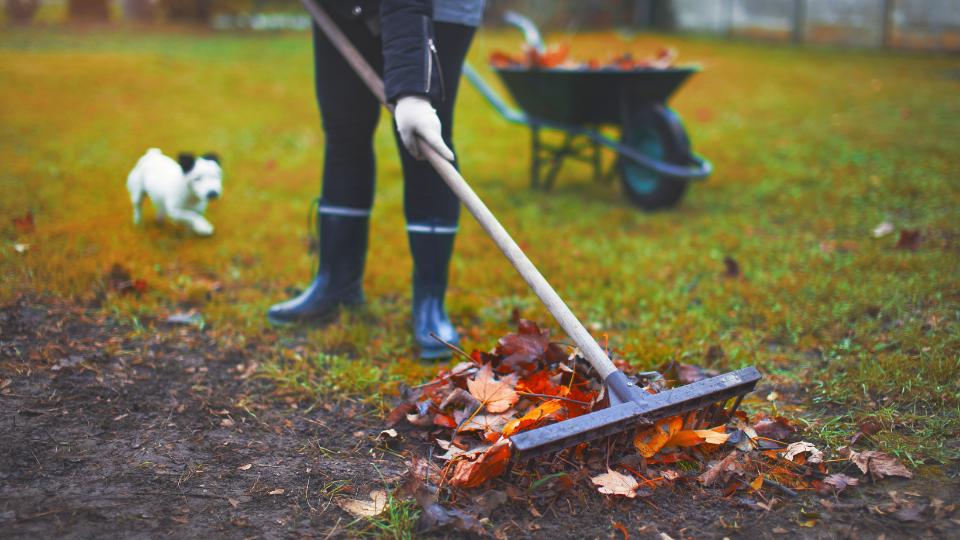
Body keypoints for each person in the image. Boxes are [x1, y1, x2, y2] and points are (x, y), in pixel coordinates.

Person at [267, 0, 484, 359]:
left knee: (423, 139)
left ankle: (430, 300)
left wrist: (414, 92)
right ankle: (337, 283)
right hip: (346, 7)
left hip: (434, 9)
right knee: (344, 130)